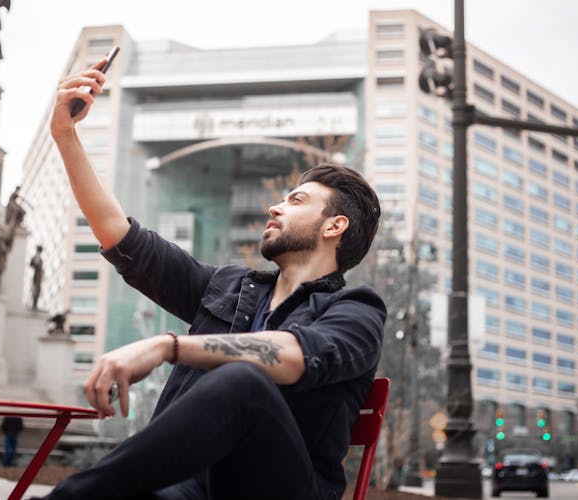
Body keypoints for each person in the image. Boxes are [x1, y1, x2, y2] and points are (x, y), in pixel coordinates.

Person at [43, 59, 386, 500]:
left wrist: (166, 346)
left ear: (333, 227)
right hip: (193, 487)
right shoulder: (227, 288)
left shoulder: (358, 310)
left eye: (296, 200)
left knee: (243, 380)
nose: (275, 208)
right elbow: (119, 234)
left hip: (279, 490)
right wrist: (65, 136)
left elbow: (297, 354)